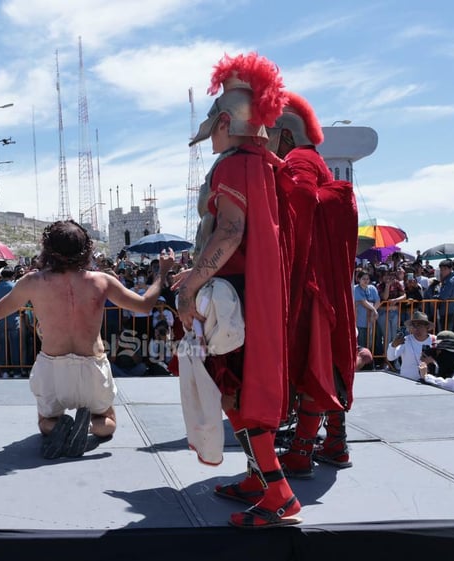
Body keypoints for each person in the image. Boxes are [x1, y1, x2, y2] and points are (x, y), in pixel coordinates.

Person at [174, 52, 301, 528]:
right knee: (242, 389)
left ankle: (280, 495)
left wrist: (190, 286)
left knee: (238, 393)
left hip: (235, 295)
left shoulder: (233, 167)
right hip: (255, 293)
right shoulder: (266, 164)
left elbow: (229, 232)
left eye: (215, 127)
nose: (212, 139)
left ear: (226, 123)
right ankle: (255, 476)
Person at [0, 220, 175, 460]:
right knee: (108, 421)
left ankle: (62, 426)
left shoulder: (33, 282)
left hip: (52, 365)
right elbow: (144, 306)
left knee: (45, 422)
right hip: (92, 364)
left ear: (48, 249)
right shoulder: (101, 281)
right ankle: (91, 427)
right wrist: (162, 273)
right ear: (86, 248)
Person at [264, 91, 359, 479]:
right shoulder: (314, 160)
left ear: (285, 135)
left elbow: (301, 199)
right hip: (325, 279)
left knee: (312, 361)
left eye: (269, 133)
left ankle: (302, 451)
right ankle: (335, 442)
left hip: (310, 279)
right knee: (328, 358)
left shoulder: (298, 160)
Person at [387, 311, 436, 381]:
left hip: (428, 382)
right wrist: (393, 345)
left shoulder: (434, 341)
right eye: (413, 326)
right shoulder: (405, 340)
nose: (416, 329)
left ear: (427, 327)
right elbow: (390, 358)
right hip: (407, 381)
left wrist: (432, 361)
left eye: (419, 325)